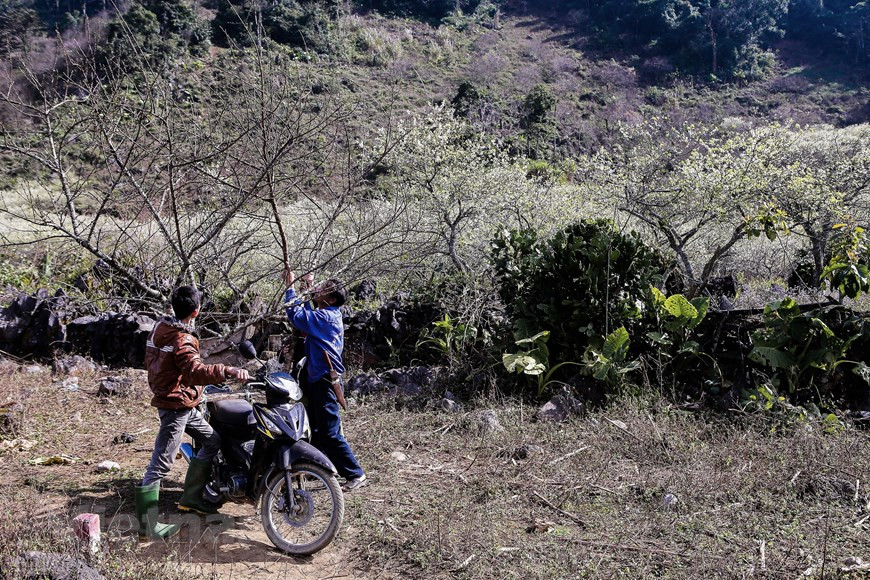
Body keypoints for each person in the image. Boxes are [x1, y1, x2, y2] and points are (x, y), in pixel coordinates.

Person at [136, 285, 250, 540]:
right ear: (196, 312)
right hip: (175, 406)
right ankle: (146, 526)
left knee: (212, 440)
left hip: (181, 401)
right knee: (161, 463)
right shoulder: (182, 340)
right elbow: (194, 371)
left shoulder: (159, 328)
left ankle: (192, 498)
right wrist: (227, 371)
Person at [283, 268, 367, 491]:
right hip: (316, 377)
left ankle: (355, 473)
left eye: (322, 289)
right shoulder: (325, 314)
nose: (317, 289)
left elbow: (298, 316)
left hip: (324, 380)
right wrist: (305, 288)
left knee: (329, 431)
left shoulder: (326, 317)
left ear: (330, 299)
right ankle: (319, 468)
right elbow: (307, 310)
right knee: (316, 427)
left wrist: (290, 288)